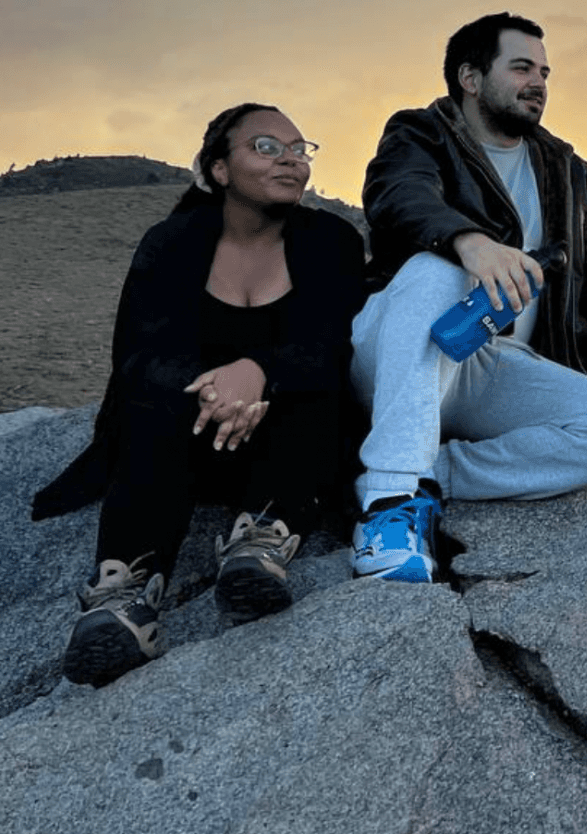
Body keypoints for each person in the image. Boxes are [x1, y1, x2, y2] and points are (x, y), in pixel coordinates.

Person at [32, 104, 367, 686]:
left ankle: (261, 541)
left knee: (318, 391)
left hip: (289, 441)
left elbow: (335, 343)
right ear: (218, 170)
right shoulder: (172, 243)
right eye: (266, 146)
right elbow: (137, 356)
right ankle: (126, 597)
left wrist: (258, 371)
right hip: (186, 438)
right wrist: (218, 387)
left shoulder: (330, 241)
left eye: (300, 148)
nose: (291, 158)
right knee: (149, 401)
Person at [348, 12, 587, 584]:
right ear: (471, 78)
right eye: (522, 67)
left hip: (487, 363)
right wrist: (469, 243)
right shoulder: (418, 132)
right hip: (401, 352)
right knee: (438, 271)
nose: (539, 83)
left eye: (546, 72)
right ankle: (387, 504)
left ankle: (429, 472)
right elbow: (397, 195)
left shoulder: (565, 168)